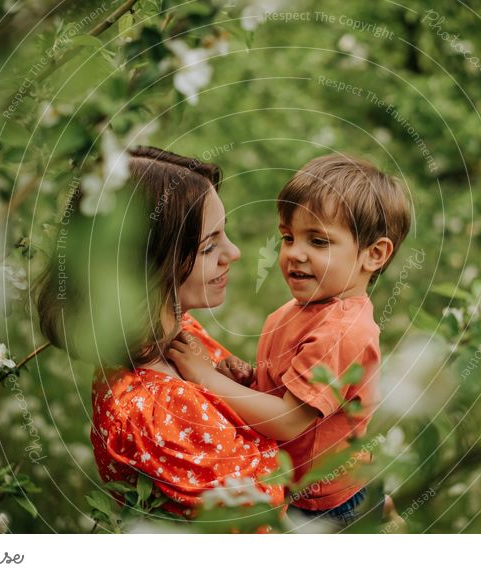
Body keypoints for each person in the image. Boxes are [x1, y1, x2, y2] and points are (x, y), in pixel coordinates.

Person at [36, 145, 284, 521]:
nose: (233, 253)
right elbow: (266, 527)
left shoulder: (176, 333)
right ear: (145, 266)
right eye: (209, 246)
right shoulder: (152, 413)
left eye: (224, 234)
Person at [169, 153, 411, 525]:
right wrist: (251, 378)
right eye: (288, 237)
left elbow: (289, 421)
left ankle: (373, 513)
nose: (295, 253)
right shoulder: (306, 309)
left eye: (318, 241)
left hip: (323, 506)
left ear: (373, 254)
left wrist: (205, 376)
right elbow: (291, 387)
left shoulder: (342, 331)